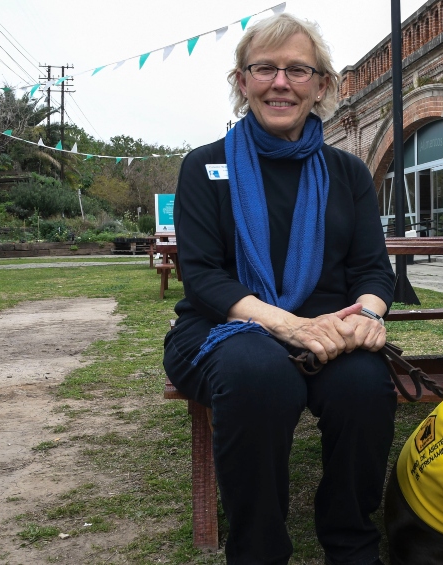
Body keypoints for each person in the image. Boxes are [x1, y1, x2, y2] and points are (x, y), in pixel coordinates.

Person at [163, 13, 396, 565]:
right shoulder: (203, 167)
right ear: (242, 82)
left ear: (321, 85)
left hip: (330, 329)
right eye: (264, 68)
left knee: (365, 386)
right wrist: (288, 326)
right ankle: (259, 550)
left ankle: (350, 540)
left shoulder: (348, 173)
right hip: (224, 327)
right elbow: (203, 276)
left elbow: (372, 269)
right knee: (260, 376)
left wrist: (366, 314)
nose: (281, 82)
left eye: (297, 69)